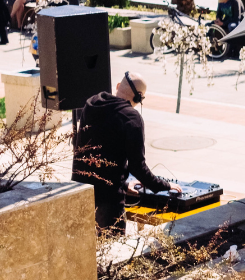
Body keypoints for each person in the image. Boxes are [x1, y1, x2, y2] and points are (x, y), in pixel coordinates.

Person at [71, 72, 181, 232]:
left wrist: (124, 183)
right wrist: (165, 185)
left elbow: (98, 150)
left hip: (80, 191)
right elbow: (138, 167)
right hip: (108, 201)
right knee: (110, 251)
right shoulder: (131, 118)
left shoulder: (92, 103)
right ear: (139, 97)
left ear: (117, 86)